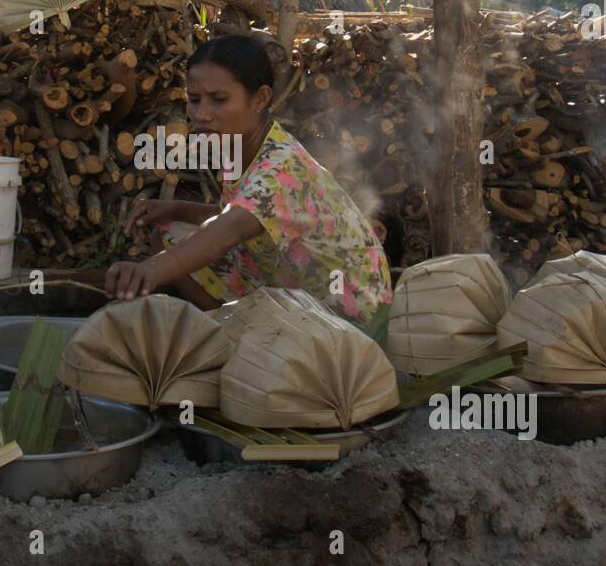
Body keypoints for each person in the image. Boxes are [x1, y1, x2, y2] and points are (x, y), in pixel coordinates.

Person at [104, 30, 394, 346]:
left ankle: (243, 346)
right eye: (194, 99)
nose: (200, 114)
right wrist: (174, 208)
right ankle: (234, 335)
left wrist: (150, 270)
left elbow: (231, 229)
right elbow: (240, 214)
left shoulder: (281, 168)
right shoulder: (241, 146)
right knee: (167, 229)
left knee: (179, 250)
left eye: (218, 99)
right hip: (296, 281)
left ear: (260, 99)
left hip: (352, 321)